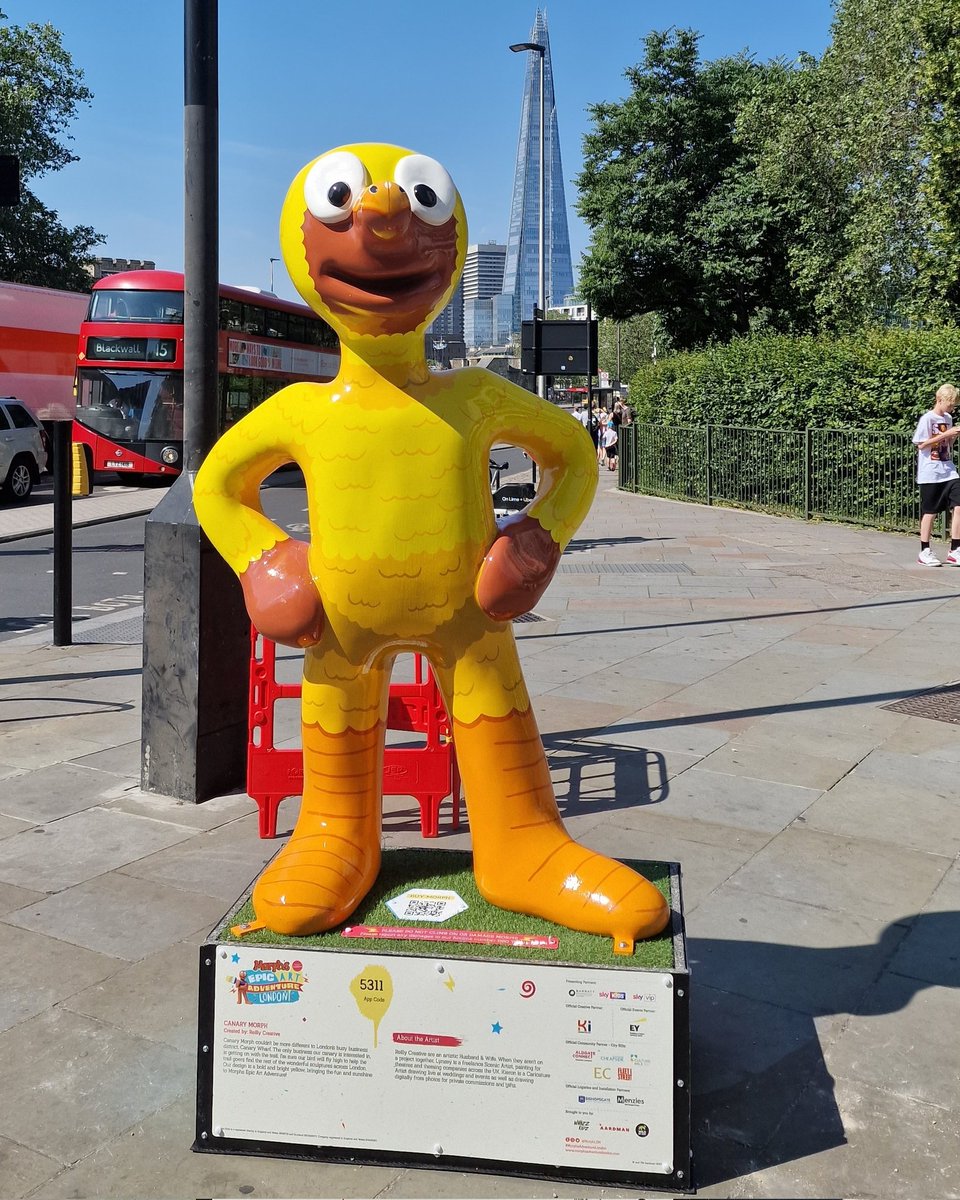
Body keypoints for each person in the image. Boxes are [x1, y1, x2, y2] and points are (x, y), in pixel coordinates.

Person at [912, 382, 960, 566]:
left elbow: (947, 445)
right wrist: (945, 433)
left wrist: (953, 436)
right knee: (930, 511)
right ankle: (924, 550)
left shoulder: (947, 418)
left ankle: (955, 549)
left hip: (948, 469)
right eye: (950, 404)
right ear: (940, 400)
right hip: (930, 472)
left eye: (954, 405)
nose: (952, 408)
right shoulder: (928, 419)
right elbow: (921, 444)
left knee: (959, 504)